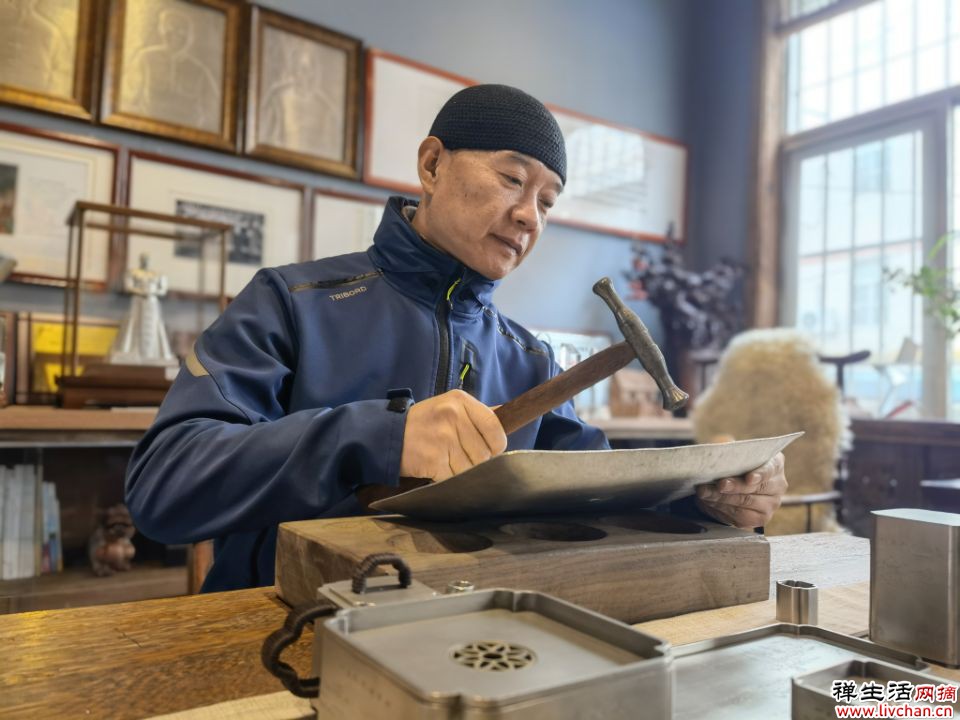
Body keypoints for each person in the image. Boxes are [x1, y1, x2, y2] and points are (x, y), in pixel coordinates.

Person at [125, 84, 787, 592]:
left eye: (549, 201)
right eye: (511, 179)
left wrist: (712, 503)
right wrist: (380, 437)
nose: (529, 215)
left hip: (472, 641)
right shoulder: (291, 303)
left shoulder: (530, 359)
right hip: (281, 627)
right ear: (433, 164)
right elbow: (164, 488)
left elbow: (600, 503)